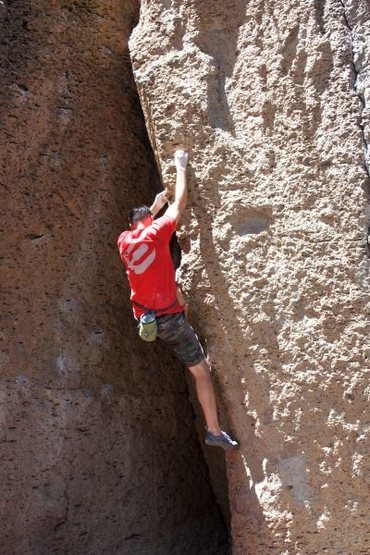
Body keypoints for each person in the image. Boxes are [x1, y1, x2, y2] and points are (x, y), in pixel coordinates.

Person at [117, 150, 238, 450]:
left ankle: (179, 302)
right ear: (150, 221)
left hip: (147, 316)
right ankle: (213, 430)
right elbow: (180, 204)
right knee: (201, 372)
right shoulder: (157, 232)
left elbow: (145, 223)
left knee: (175, 291)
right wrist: (180, 168)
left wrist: (154, 205)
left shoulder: (124, 241)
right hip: (169, 319)